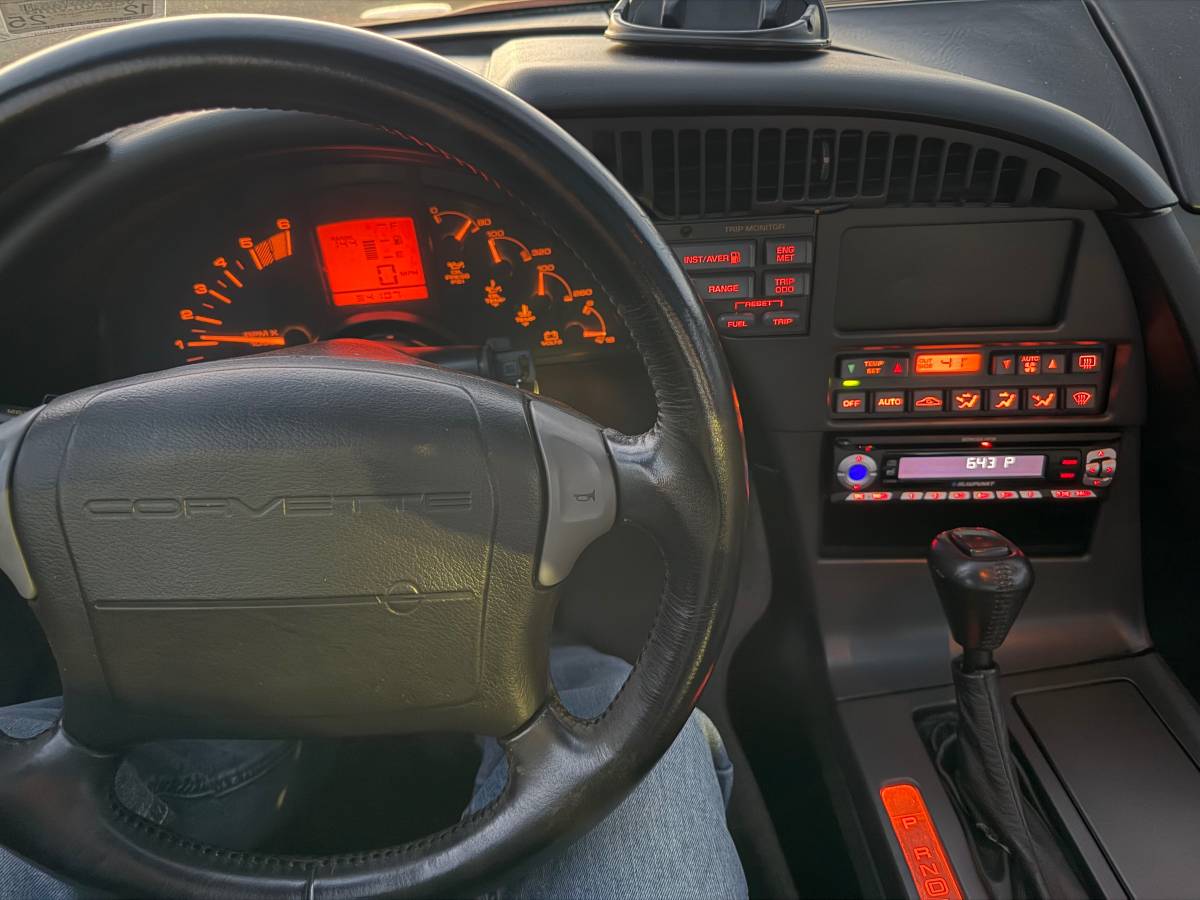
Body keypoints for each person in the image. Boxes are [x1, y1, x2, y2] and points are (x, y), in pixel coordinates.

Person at [0, 645, 748, 899]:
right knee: (633, 729)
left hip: (218, 714)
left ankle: (278, 720)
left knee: (23, 757)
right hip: (533, 677)